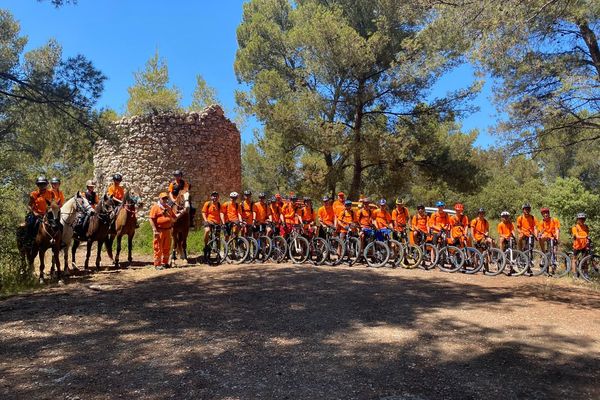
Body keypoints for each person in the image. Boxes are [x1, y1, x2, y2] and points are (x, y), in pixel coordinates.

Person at [149, 192, 180, 269]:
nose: (165, 200)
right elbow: (151, 219)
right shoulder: (155, 207)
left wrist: (181, 213)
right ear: (160, 199)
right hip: (159, 231)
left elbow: (174, 217)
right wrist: (154, 229)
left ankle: (165, 263)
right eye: (163, 198)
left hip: (168, 230)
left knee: (167, 247)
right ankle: (157, 264)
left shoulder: (168, 208)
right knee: (158, 247)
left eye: (166, 198)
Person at [25, 176, 55, 244]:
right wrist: (34, 213)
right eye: (40, 184)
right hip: (37, 215)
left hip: (48, 214)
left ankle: (60, 241)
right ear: (38, 185)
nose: (42, 186)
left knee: (59, 223)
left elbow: (53, 203)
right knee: (30, 224)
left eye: (44, 184)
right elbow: (29, 205)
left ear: (46, 184)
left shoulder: (51, 193)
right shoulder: (34, 194)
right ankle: (29, 241)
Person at [201, 191, 222, 258]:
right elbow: (203, 212)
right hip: (209, 221)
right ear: (211, 197)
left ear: (218, 197)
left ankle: (218, 251)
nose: (214, 197)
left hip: (217, 223)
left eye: (216, 196)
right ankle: (206, 245)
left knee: (218, 237)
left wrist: (222, 223)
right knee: (207, 231)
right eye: (213, 196)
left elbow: (221, 214)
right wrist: (206, 220)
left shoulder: (219, 205)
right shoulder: (208, 204)